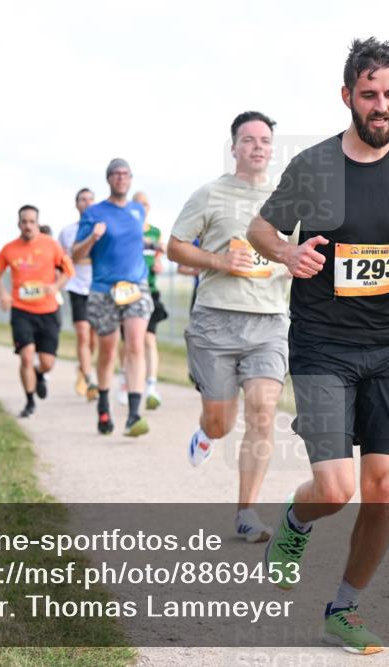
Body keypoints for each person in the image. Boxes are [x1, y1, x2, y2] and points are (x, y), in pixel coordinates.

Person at [247, 38, 389, 654]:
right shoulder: (313, 167)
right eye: (369, 94)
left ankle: (343, 607)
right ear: (347, 96)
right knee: (336, 489)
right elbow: (262, 227)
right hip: (322, 346)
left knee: (386, 486)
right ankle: (294, 520)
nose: (381, 106)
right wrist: (286, 251)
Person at [168, 110, 287, 543]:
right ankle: (207, 431)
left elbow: (304, 249)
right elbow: (174, 247)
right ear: (234, 147)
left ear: (272, 149)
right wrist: (219, 260)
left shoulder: (289, 199)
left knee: (263, 409)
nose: (257, 146)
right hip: (216, 322)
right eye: (249, 139)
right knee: (221, 421)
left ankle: (246, 511)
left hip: (270, 322)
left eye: (265, 141)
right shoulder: (210, 195)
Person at [73, 159, 153, 437]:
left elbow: (133, 242)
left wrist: (156, 245)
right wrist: (93, 238)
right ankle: (104, 406)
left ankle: (133, 414)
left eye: (125, 174)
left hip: (135, 286)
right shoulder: (94, 213)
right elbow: (76, 255)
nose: (121, 178)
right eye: (116, 174)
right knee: (107, 350)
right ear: (108, 179)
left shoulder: (137, 211)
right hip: (104, 289)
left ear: (130, 179)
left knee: (135, 345)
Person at [0, 205, 74, 418]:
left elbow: (68, 270)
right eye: (24, 222)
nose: (28, 225)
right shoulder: (9, 249)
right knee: (27, 357)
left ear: (38, 223)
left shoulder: (52, 245)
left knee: (47, 363)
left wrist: (55, 287)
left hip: (48, 310)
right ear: (18, 224)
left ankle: (40, 374)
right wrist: (3, 293)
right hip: (21, 310)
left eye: (32, 221)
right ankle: (29, 401)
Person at [58, 187, 100, 400]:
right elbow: (61, 261)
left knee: (93, 339)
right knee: (82, 333)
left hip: (97, 288)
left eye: (90, 200)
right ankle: (90, 379)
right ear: (76, 204)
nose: (86, 203)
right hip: (76, 287)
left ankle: (83, 369)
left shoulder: (101, 229)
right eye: (82, 200)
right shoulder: (67, 232)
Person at [134, 191, 168, 410]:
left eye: (146, 204)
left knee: (148, 339)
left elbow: (159, 257)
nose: (143, 207)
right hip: (130, 291)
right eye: (138, 204)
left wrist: (158, 265)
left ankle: (151, 386)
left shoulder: (155, 232)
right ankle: (126, 381)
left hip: (151, 289)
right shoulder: (127, 230)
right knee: (131, 342)